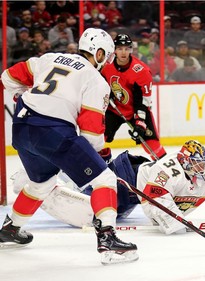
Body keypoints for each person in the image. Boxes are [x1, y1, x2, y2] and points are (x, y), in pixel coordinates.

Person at [0, 28, 138, 264]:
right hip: (53, 131)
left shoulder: (48, 58)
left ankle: (12, 228)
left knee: (41, 183)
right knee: (104, 180)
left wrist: (21, 93)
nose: (108, 61)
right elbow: (91, 134)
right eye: (109, 55)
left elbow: (7, 77)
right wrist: (97, 156)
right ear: (101, 52)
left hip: (22, 128)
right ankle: (108, 239)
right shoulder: (95, 79)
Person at [11, 140, 205, 235]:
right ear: (185, 162)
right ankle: (35, 180)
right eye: (195, 164)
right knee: (92, 216)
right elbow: (156, 206)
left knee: (103, 205)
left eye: (203, 162)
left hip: (136, 186)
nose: (201, 168)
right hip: (127, 181)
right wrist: (175, 222)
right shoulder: (170, 170)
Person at [101, 34, 167, 160]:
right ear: (114, 49)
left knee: (152, 144)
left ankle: (165, 168)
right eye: (120, 48)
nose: (123, 52)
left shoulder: (141, 71)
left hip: (136, 110)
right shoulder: (106, 66)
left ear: (131, 49)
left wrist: (140, 121)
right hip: (113, 109)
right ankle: (89, 165)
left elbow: (144, 100)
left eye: (127, 48)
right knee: (97, 136)